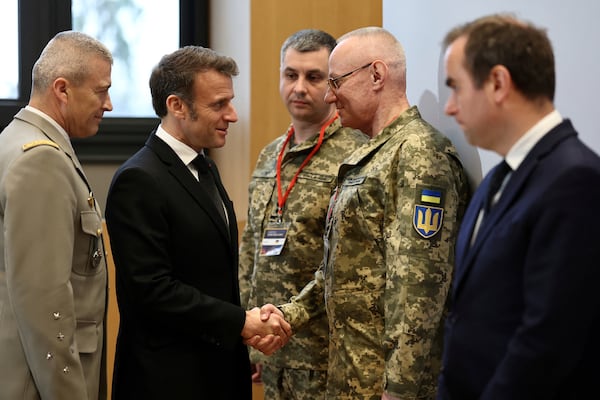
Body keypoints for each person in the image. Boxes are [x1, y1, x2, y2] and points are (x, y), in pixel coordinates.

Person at [258, 27, 470, 399]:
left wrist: (401, 389)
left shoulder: (418, 154)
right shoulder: (368, 155)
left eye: (336, 81)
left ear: (376, 75)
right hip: (350, 376)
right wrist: (290, 314)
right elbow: (342, 268)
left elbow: (419, 290)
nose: (328, 94)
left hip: (386, 387)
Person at [104, 46, 291, 400]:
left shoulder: (205, 167)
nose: (232, 115)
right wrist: (241, 322)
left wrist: (248, 324)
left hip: (217, 373)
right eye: (219, 104)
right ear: (177, 106)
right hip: (168, 381)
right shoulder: (139, 179)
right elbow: (152, 291)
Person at [437, 14, 600, 400]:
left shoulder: (574, 180)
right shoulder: (498, 178)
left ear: (497, 83)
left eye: (456, 88)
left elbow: (547, 340)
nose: (449, 108)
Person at [238, 29, 368, 399]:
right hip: (271, 349)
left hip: (325, 354)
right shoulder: (270, 155)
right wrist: (251, 334)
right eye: (290, 75)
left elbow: (345, 262)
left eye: (313, 77)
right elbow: (252, 249)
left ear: (333, 84)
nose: (299, 87)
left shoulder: (356, 155)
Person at [0, 31, 113, 400]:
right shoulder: (41, 160)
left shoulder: (13, 139)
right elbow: (44, 304)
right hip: (40, 384)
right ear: (62, 90)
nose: (108, 104)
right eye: (100, 91)